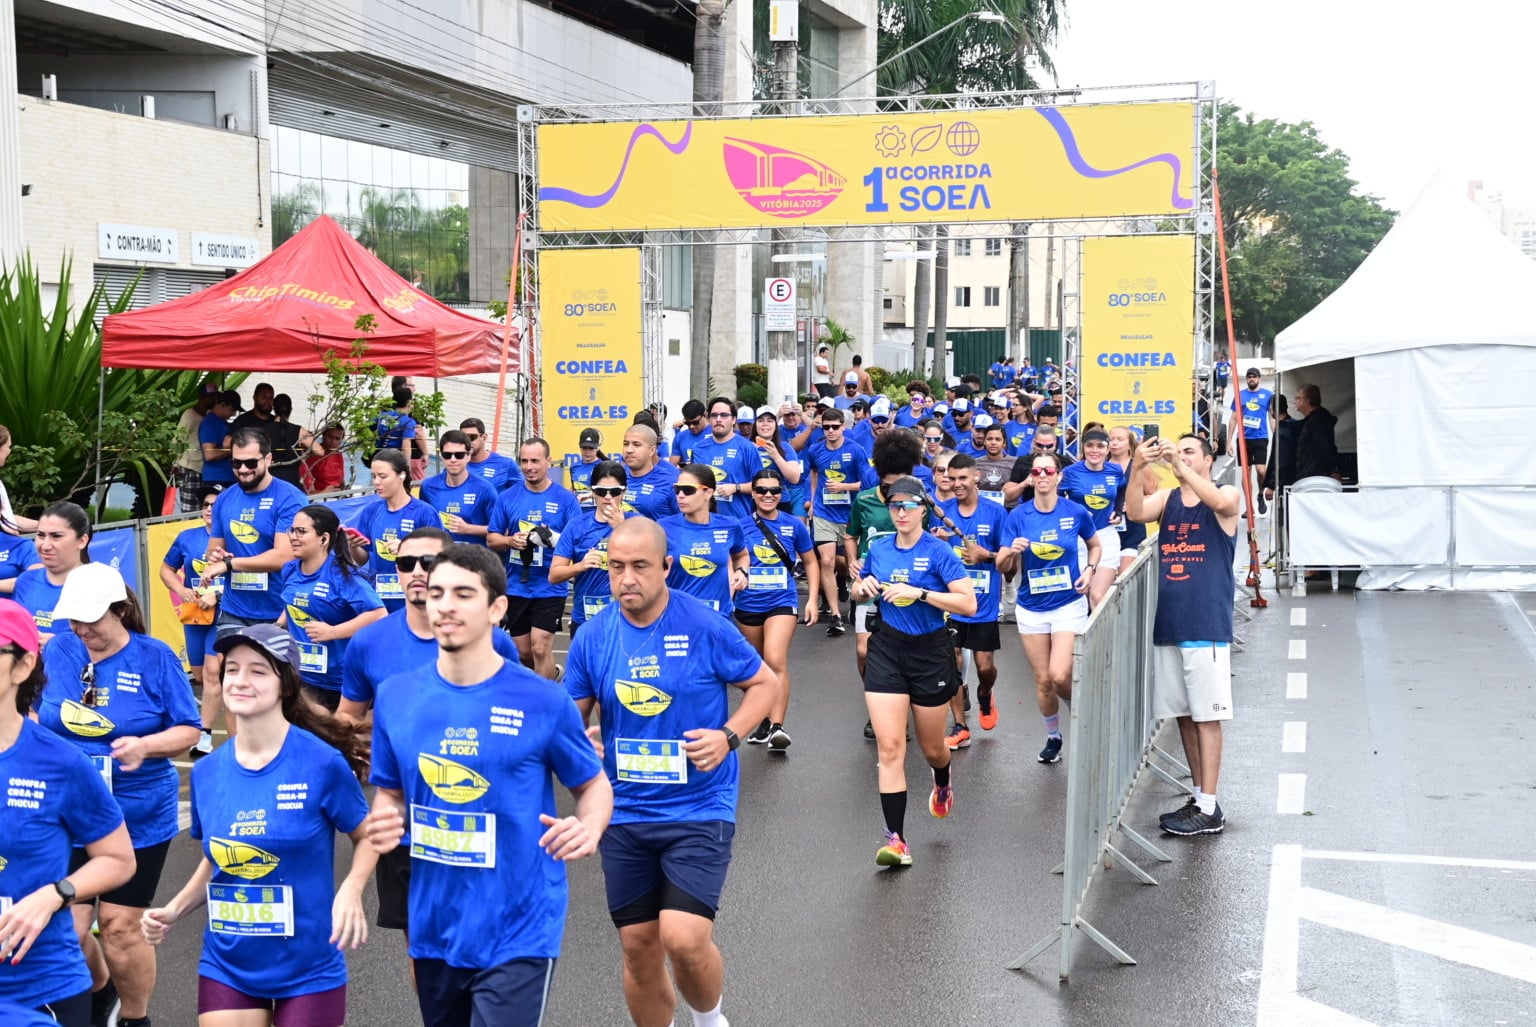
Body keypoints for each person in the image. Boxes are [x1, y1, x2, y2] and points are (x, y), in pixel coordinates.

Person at [365, 545, 612, 1027]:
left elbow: (593, 785)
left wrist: (589, 826)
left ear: (497, 608)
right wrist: (384, 818)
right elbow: (390, 793)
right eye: (438, 593)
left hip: (520, 927)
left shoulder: (543, 701)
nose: (445, 606)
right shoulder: (396, 697)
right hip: (435, 925)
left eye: (463, 594)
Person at [565, 518, 776, 1027]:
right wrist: (575, 743)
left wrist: (728, 736)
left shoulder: (703, 624)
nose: (627, 578)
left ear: (666, 566)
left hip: (699, 804)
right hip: (624, 810)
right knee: (639, 947)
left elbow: (765, 684)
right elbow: (572, 715)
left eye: (640, 566)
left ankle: (710, 1020)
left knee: (682, 937)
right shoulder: (593, 637)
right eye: (616, 567)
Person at [139, 623, 374, 1027]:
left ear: (285, 685)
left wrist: (352, 889)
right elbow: (220, 858)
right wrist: (174, 909)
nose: (240, 680)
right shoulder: (207, 772)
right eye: (232, 669)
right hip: (228, 961)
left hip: (308, 965)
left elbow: (366, 835)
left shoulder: (321, 763)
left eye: (258, 671)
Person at [337, 528, 520, 954]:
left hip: (478, 816)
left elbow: (516, 720)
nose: (417, 572)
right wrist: (363, 741)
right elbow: (348, 718)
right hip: (405, 824)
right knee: (424, 951)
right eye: (406, 564)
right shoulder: (369, 642)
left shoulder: (493, 640)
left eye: (429, 563)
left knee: (480, 945)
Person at [38, 563, 201, 1027]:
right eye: (74, 618)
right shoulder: (60, 650)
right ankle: (101, 988)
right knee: (65, 930)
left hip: (136, 812)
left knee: (118, 926)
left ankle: (134, 1017)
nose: (81, 629)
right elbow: (33, 713)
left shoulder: (155, 657)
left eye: (91, 618)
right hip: (68, 813)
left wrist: (146, 746)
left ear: (120, 610)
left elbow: (189, 730)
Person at [0, 598, 135, 1025]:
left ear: (22, 667)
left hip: (39, 989)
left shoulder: (60, 763)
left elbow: (118, 859)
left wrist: (56, 894)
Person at [850, 476, 975, 867]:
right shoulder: (879, 547)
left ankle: (943, 778)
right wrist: (862, 588)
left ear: (923, 509)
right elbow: (856, 589)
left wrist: (919, 593)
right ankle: (896, 841)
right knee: (889, 748)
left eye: (908, 505)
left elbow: (968, 603)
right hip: (887, 649)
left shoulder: (939, 551)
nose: (900, 512)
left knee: (932, 747)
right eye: (894, 505)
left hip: (930, 652)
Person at [1128, 433, 1239, 836]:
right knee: (1185, 715)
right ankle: (1199, 796)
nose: (1181, 456)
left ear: (1209, 460)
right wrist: (1138, 466)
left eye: (1190, 451)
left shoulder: (1225, 494)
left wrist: (1183, 469)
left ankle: (1209, 807)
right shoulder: (1169, 499)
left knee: (1207, 716)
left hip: (1205, 624)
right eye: (1179, 451)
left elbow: (1222, 504)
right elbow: (1135, 511)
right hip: (1171, 623)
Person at [996, 452, 1100, 765]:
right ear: (1031, 477)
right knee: (1043, 681)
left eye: (1048, 471)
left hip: (1068, 603)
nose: (1042, 476)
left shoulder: (1075, 511)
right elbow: (1001, 565)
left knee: (1060, 675)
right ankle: (1054, 737)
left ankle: (1082, 719)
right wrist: (1010, 553)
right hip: (1032, 607)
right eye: (1037, 471)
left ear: (1059, 476)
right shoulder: (1018, 516)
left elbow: (1095, 545)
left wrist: (1090, 570)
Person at [845, 431, 930, 741]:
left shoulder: (919, 502)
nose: (893, 495)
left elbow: (927, 540)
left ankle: (899, 707)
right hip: (870, 585)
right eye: (887, 487)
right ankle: (878, 702)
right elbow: (851, 535)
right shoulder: (864, 499)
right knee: (864, 650)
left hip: (907, 587)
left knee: (904, 650)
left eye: (900, 486)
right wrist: (852, 561)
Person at [736, 467, 818, 751]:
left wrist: (813, 599)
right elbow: (731, 562)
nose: (768, 495)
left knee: (775, 658)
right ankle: (764, 719)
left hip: (782, 601)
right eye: (761, 490)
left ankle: (777, 727)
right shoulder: (739, 526)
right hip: (747, 603)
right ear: (753, 493)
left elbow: (811, 561)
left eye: (774, 490)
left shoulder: (794, 525)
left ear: (781, 494)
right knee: (758, 666)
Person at [487, 438, 582, 680]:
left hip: (550, 586)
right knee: (523, 652)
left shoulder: (565, 499)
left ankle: (545, 699)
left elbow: (578, 541)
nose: (529, 467)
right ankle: (553, 674)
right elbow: (492, 538)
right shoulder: (508, 497)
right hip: (517, 585)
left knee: (540, 647)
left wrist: (552, 538)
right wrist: (511, 541)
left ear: (548, 462)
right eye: (524, 461)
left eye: (535, 461)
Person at [202, 427, 308, 644]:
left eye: (250, 463)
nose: (243, 469)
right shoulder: (224, 499)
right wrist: (215, 557)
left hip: (278, 610)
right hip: (234, 610)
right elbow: (213, 551)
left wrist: (229, 564)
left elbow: (283, 557)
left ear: (268, 459)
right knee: (231, 665)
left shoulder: (290, 498)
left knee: (272, 667)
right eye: (236, 463)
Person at [278, 505, 387, 711]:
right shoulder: (290, 569)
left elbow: (378, 614)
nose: (293, 537)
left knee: (340, 731)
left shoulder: (342, 575)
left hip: (340, 682)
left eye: (301, 531)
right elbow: (293, 603)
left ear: (324, 539)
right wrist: (278, 625)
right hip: (301, 675)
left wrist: (333, 632)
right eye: (291, 530)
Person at [935, 454, 1008, 750]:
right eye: (952, 478)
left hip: (983, 605)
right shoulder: (942, 512)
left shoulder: (995, 512)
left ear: (976, 477)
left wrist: (985, 555)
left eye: (962, 478)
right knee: (951, 662)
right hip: (952, 603)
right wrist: (938, 542)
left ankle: (985, 694)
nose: (956, 484)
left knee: (984, 667)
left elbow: (1008, 559)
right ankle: (960, 725)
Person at [159, 486, 224, 756]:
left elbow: (246, 578)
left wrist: (217, 595)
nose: (209, 509)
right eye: (206, 504)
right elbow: (166, 569)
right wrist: (181, 589)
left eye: (215, 505)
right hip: (196, 615)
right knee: (199, 676)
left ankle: (204, 735)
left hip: (226, 615)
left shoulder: (235, 538)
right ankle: (224, 695)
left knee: (212, 671)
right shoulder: (187, 537)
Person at [550, 461, 636, 637]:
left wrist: (622, 529)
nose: (608, 497)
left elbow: (651, 565)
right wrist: (580, 566)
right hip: (585, 621)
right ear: (592, 492)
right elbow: (554, 575)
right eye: (601, 491)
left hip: (626, 621)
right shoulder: (576, 525)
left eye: (615, 491)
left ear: (624, 492)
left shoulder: (637, 522)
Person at [805, 407, 869, 634]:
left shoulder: (856, 450)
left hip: (851, 513)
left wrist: (844, 486)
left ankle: (854, 595)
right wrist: (813, 500)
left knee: (853, 562)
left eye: (834, 427)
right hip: (824, 513)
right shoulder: (815, 450)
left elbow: (866, 483)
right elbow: (814, 473)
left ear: (843, 426)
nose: (830, 431)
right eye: (826, 427)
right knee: (827, 560)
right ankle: (835, 615)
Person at [352, 449, 439, 613]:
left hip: (414, 601)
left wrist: (407, 549)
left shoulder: (424, 513)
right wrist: (353, 545)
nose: (377, 482)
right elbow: (362, 559)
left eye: (383, 476)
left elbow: (440, 558)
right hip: (379, 601)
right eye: (373, 476)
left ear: (402, 475)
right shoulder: (371, 511)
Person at [659, 464, 749, 616]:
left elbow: (742, 555)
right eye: (677, 489)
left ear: (708, 493)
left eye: (688, 490)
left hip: (718, 617)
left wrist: (741, 571)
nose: (680, 495)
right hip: (678, 616)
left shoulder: (730, 525)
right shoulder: (663, 527)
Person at [1059, 429, 1127, 609]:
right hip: (1077, 538)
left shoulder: (1115, 470)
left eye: (1100, 446)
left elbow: (1121, 489)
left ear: (1108, 449)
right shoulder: (1070, 472)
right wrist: (1075, 512)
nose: (1094, 450)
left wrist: (1118, 510)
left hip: (1105, 536)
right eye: (1089, 445)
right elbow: (1055, 499)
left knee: (1098, 597)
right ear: (1083, 448)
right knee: (1081, 595)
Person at [12, 500, 92, 639]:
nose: (45, 545)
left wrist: (58, 645)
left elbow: (115, 644)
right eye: (41, 535)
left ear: (82, 541)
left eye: (56, 536)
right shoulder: (25, 581)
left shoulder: (98, 585)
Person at [419, 430, 499, 546]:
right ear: (441, 456)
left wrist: (468, 528)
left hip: (473, 555)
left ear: (468, 456)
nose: (453, 459)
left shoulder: (485, 489)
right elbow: (422, 525)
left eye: (459, 455)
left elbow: (500, 530)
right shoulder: (428, 486)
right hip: (440, 555)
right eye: (447, 455)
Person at [686, 398, 760, 522]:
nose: (718, 419)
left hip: (738, 522)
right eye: (714, 415)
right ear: (709, 419)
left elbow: (761, 484)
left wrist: (736, 488)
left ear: (734, 419)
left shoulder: (747, 448)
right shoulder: (698, 448)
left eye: (724, 415)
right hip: (705, 523)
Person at [1228, 368, 1274, 515]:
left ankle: (1260, 493)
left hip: (1260, 437)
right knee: (1246, 472)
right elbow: (1234, 418)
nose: (1251, 379)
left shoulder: (1268, 395)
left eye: (1254, 377)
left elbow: (1271, 416)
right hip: (1243, 439)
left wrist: (1276, 434)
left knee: (1261, 470)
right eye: (1249, 377)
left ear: (1259, 378)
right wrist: (1228, 441)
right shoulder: (1240, 395)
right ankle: (1249, 507)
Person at [1108, 426, 1152, 576]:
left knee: (1124, 577)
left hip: (1132, 532)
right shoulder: (1100, 466)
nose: (1114, 443)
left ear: (1130, 443)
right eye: (1111, 439)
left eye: (1120, 439)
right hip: (1106, 531)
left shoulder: (1138, 467)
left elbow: (1152, 495)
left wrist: (1134, 503)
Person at [171, 384, 219, 513]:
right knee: (190, 510)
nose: (214, 400)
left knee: (203, 507)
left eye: (215, 397)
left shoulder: (208, 416)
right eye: (211, 397)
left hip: (203, 469)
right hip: (190, 468)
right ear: (202, 397)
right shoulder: (189, 415)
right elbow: (178, 439)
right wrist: (175, 463)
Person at [619, 425, 681, 521]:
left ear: (652, 450)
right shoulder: (616, 477)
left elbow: (686, 520)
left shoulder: (670, 481)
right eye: (626, 444)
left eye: (636, 444)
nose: (629, 450)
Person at [747, 406, 803, 495]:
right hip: (753, 497)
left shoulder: (785, 447)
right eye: (761, 421)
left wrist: (776, 456)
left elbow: (795, 478)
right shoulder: (746, 446)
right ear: (755, 424)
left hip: (779, 498)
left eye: (770, 421)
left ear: (775, 425)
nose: (765, 424)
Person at [1292, 383, 1339, 481]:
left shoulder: (1317, 422)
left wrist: (1333, 470)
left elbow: (1326, 447)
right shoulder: (1313, 420)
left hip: (1314, 477)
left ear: (1307, 401)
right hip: (1311, 474)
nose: (1294, 401)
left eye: (1298, 398)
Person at [460, 418, 520, 492]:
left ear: (484, 438)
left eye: (472, 437)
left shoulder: (506, 464)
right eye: (463, 438)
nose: (467, 442)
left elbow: (519, 494)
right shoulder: (455, 464)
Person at [264, 393, 306, 490]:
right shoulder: (299, 431)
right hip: (292, 484)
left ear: (274, 409)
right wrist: (304, 452)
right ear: (291, 410)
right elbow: (320, 451)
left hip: (269, 483)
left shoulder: (263, 431)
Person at [199, 391, 240, 488]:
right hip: (216, 478)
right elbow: (209, 454)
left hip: (228, 477)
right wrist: (234, 450)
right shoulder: (210, 423)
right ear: (222, 404)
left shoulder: (222, 423)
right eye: (232, 409)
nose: (234, 413)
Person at [566, 428, 607, 509]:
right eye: (584, 448)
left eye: (591, 448)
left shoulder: (604, 466)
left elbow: (607, 491)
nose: (587, 452)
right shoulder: (574, 467)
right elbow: (573, 488)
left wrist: (588, 495)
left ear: (597, 447)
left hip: (598, 513)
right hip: (579, 512)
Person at [301, 424, 346, 495]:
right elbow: (305, 490)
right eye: (330, 437)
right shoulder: (312, 455)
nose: (333, 441)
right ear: (323, 436)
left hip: (337, 495)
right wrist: (322, 493)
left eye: (337, 438)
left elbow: (341, 481)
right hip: (319, 497)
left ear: (341, 441)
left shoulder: (338, 454)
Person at [230, 382, 278, 446]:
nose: (267, 401)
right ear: (254, 397)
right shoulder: (242, 421)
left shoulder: (276, 422)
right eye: (263, 397)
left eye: (270, 398)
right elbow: (229, 444)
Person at [670, 400, 709, 466]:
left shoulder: (716, 434)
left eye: (695, 422)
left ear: (704, 415)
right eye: (688, 423)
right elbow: (672, 467)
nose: (691, 426)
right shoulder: (680, 437)